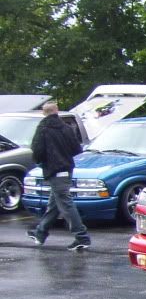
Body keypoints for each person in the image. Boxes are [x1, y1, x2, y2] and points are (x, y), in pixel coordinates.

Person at [26, 101, 91, 251]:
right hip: (67, 169)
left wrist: (42, 162)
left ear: (44, 113)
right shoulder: (66, 128)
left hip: (54, 170)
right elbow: (76, 149)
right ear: (57, 111)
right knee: (54, 204)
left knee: (65, 204)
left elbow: (37, 151)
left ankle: (82, 237)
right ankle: (40, 233)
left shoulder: (43, 129)